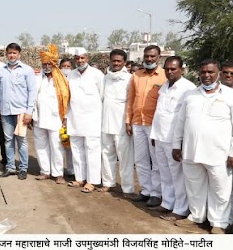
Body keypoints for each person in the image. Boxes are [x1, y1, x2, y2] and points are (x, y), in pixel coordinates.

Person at [172, 59, 233, 234]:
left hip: (219, 153)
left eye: (211, 72)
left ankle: (219, 222)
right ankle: (196, 216)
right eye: (203, 72)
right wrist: (176, 145)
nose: (206, 76)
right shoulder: (190, 95)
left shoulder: (230, 96)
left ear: (218, 74)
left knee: (220, 189)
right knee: (194, 186)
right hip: (191, 151)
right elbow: (181, 122)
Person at [150, 56, 195, 222]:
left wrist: (180, 143)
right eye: (167, 69)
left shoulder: (188, 89)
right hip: (160, 137)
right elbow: (159, 113)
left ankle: (181, 209)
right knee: (165, 172)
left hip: (174, 140)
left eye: (173, 69)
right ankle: (168, 202)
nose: (169, 72)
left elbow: (185, 119)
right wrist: (154, 135)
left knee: (178, 176)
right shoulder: (164, 87)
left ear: (181, 70)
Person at [126, 45, 167, 207]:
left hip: (154, 125)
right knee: (140, 159)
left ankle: (156, 193)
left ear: (159, 58)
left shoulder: (164, 76)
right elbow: (130, 99)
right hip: (137, 122)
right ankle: (145, 190)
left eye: (152, 56)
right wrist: (128, 121)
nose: (149, 59)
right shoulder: (136, 75)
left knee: (156, 161)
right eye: (147, 56)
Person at [0, 43, 37, 180]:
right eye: (9, 53)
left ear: (19, 54)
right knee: (8, 140)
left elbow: (32, 91)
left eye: (14, 53)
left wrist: (29, 111)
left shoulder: (26, 70)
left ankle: (23, 168)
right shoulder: (1, 71)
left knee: (21, 140)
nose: (12, 55)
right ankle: (10, 167)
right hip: (5, 111)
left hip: (21, 112)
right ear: (6, 54)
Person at [65, 49, 105, 193]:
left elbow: (102, 96)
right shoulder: (70, 75)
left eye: (82, 58)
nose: (80, 61)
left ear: (87, 58)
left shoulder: (97, 74)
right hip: (75, 118)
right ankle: (80, 178)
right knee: (76, 149)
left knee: (92, 150)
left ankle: (92, 181)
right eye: (77, 58)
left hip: (93, 119)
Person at [32, 44, 69, 184]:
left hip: (56, 119)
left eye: (49, 63)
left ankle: (58, 173)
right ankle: (45, 171)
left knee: (57, 146)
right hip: (38, 118)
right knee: (40, 145)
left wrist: (65, 118)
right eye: (44, 64)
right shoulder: (37, 78)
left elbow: (66, 99)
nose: (46, 66)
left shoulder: (62, 80)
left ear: (54, 64)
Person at [101, 50, 134, 194]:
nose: (115, 63)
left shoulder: (130, 79)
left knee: (125, 158)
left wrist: (129, 122)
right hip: (105, 122)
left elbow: (131, 102)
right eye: (113, 60)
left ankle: (127, 188)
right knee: (107, 154)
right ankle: (109, 183)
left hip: (122, 125)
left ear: (124, 63)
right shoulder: (105, 78)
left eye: (119, 61)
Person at [219, 60, 233, 232]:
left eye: (232, 73)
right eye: (225, 72)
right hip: (219, 149)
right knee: (224, 187)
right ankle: (223, 219)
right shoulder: (215, 92)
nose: (228, 76)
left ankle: (229, 220)